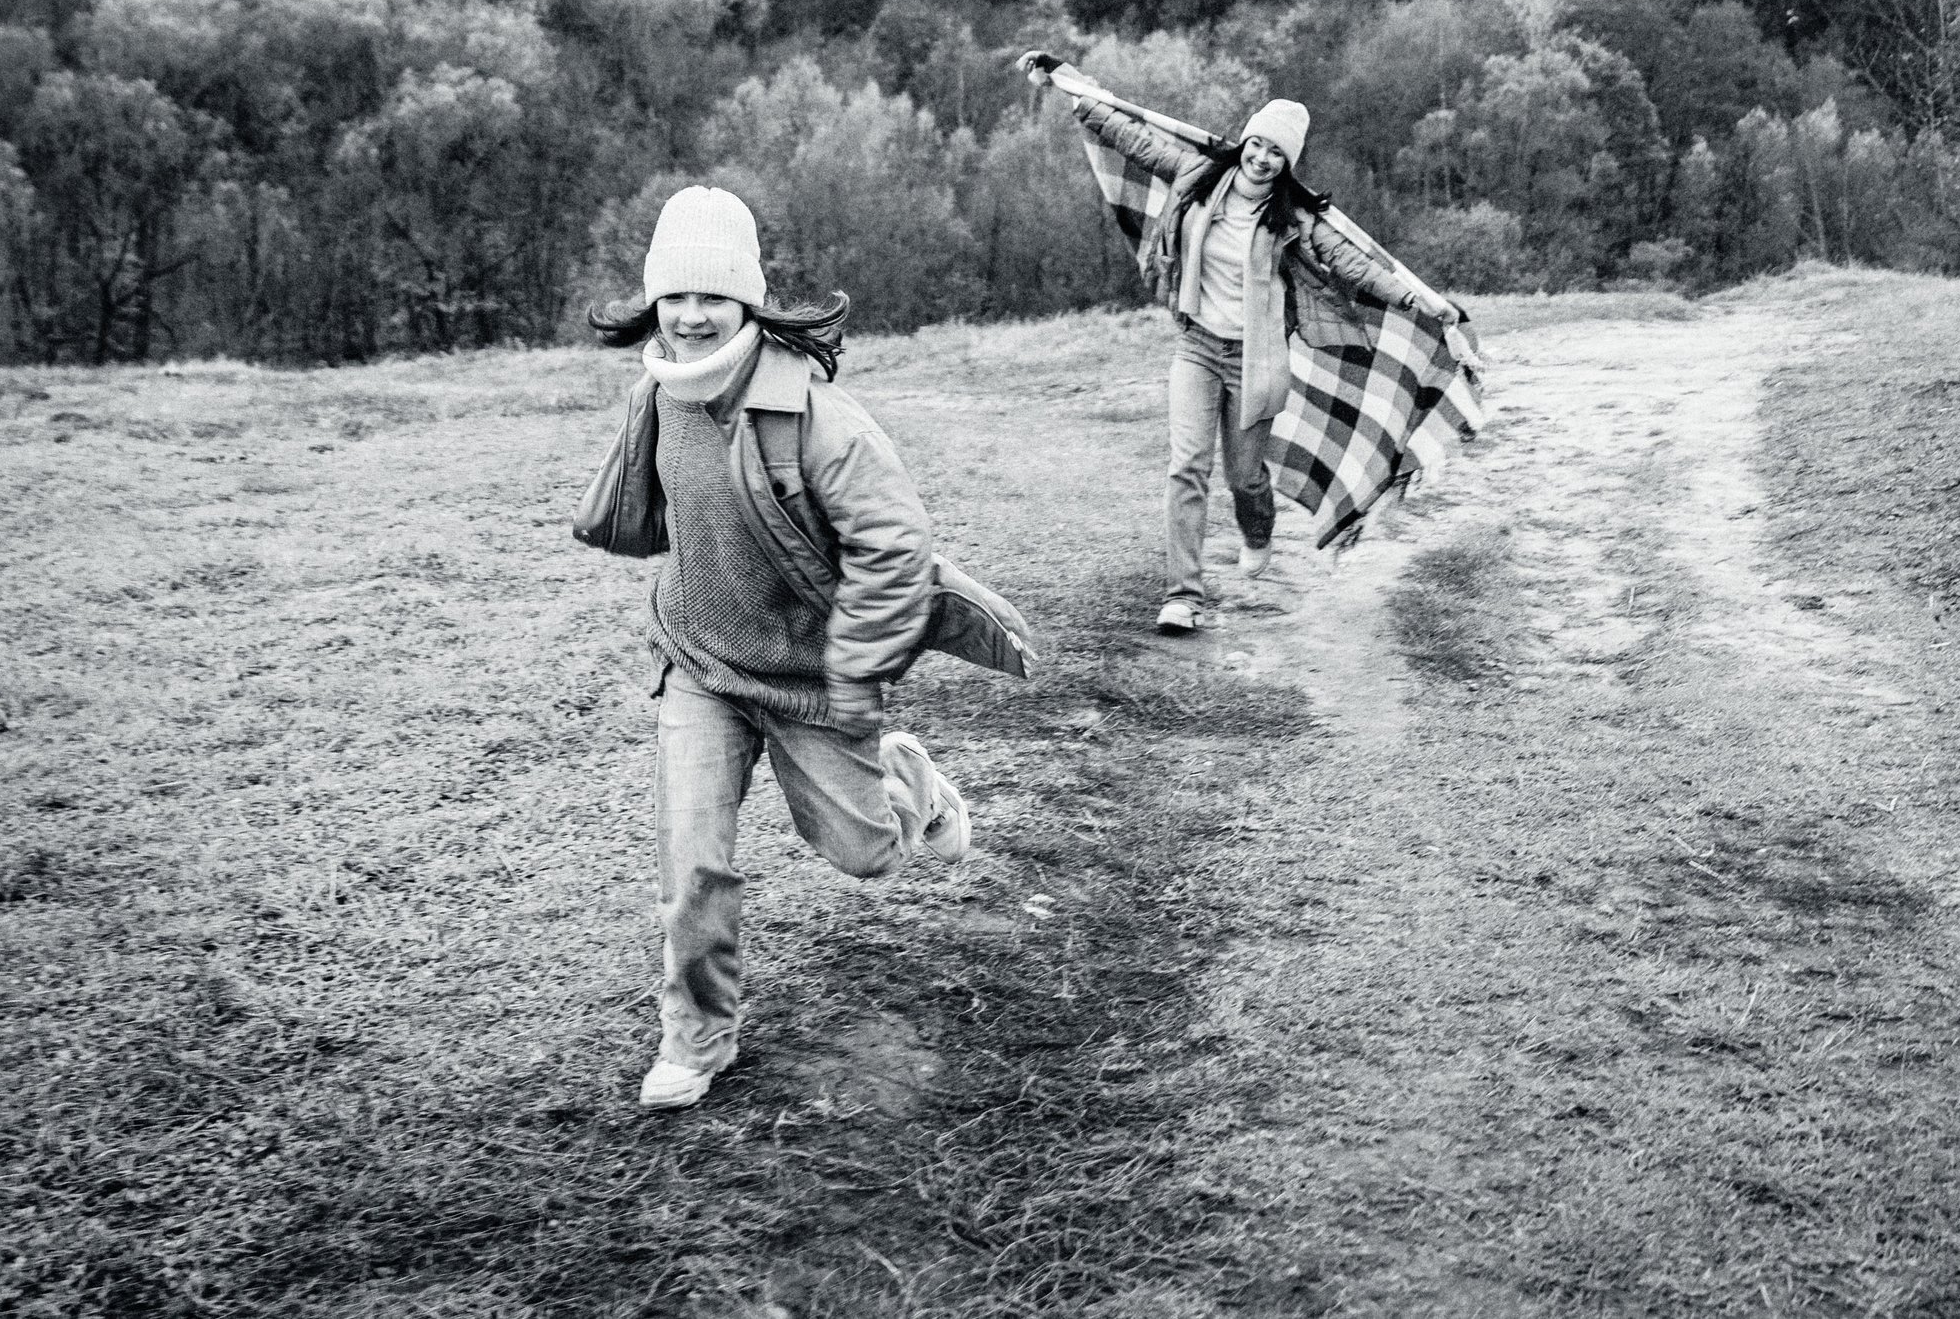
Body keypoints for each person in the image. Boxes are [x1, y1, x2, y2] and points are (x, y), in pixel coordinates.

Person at [586, 185, 975, 1111]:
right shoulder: (658, 391)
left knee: (866, 854)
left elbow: (895, 547)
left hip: (809, 678)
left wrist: (857, 667)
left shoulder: (817, 418)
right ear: (654, 299)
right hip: (702, 664)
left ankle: (911, 782)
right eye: (675, 295)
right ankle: (697, 1037)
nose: (691, 315)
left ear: (748, 301)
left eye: (712, 295)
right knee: (693, 866)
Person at [1064, 88, 1461, 633]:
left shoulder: (1293, 218)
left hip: (1257, 360)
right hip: (1197, 346)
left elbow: (1352, 263)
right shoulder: (1200, 175)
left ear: (1287, 162)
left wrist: (1417, 299)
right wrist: (1075, 93)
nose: (1263, 157)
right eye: (1258, 144)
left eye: (1277, 152)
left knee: (1245, 477)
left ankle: (1257, 531)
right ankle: (1184, 596)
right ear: (1245, 141)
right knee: (1187, 466)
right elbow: (1138, 140)